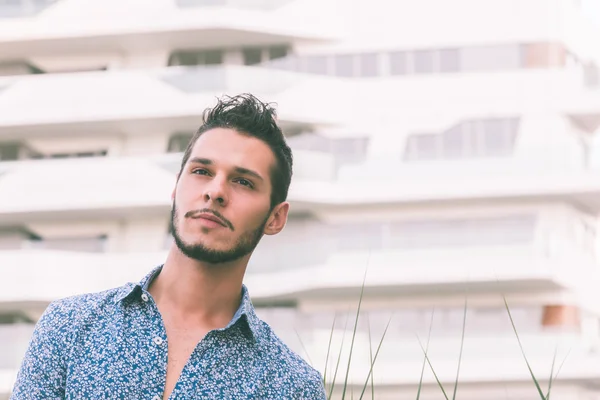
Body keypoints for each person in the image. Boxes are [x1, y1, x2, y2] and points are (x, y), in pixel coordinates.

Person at [11, 94, 327, 399]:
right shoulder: (69, 326)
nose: (215, 191)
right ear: (176, 187)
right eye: (202, 172)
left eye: (243, 181)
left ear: (275, 218)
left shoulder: (292, 386)